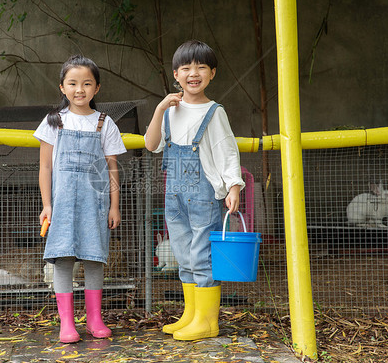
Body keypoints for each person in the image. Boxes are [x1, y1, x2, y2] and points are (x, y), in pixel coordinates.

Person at [145, 40, 244, 341]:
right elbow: (151, 145)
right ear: (176, 74)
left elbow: (227, 151)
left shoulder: (214, 112)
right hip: (174, 196)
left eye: (201, 67)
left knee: (201, 257)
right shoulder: (170, 111)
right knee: (183, 255)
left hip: (203, 195)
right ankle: (191, 315)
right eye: (186, 67)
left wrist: (234, 185)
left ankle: (208, 322)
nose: (194, 73)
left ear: (212, 73)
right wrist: (160, 108)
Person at [34, 55, 126, 343]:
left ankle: (95, 320)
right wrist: (47, 205)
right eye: (73, 83)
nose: (79, 89)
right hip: (61, 204)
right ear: (62, 87)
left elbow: (112, 167)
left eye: (87, 83)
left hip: (95, 205)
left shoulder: (104, 123)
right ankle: (67, 324)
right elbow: (45, 167)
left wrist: (114, 206)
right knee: (63, 259)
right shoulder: (53, 122)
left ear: (97, 88)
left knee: (94, 259)